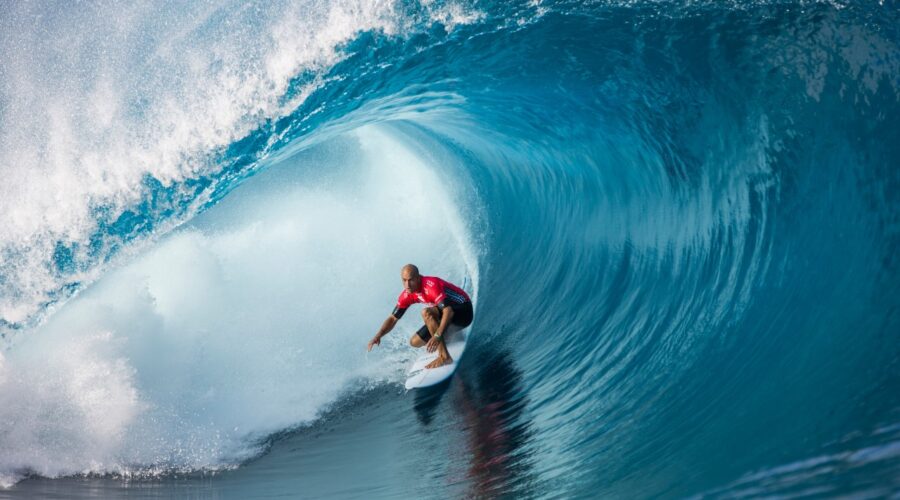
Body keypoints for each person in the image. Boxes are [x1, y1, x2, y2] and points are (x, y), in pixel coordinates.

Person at [367, 264, 473, 369]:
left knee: (426, 312)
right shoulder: (407, 294)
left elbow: (448, 311)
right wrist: (378, 335)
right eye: (404, 280)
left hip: (464, 311)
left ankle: (444, 357)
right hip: (450, 317)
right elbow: (392, 318)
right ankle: (448, 336)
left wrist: (437, 335)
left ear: (418, 278)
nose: (407, 284)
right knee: (415, 342)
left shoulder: (431, 285)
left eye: (410, 280)